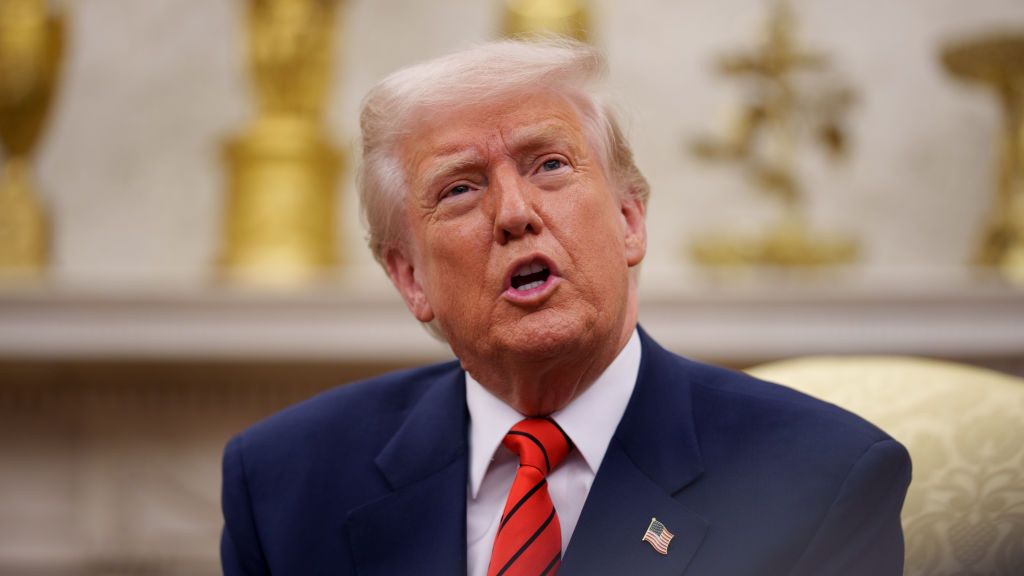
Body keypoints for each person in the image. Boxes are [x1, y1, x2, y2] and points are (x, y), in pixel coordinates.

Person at [220, 38, 911, 576]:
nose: (514, 214)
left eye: (549, 165)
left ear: (630, 220)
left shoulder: (821, 479)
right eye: (459, 189)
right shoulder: (285, 482)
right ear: (410, 279)